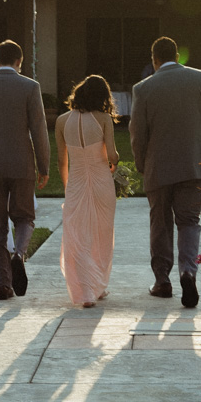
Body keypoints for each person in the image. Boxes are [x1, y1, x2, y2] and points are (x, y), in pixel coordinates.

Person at [130, 36, 201, 308]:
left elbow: (137, 134)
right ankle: (188, 271)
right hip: (194, 164)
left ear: (154, 59)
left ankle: (163, 281)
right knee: (189, 222)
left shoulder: (143, 88)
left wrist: (141, 164)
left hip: (158, 167)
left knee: (160, 223)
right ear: (178, 56)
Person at [0, 39, 50, 301]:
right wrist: (44, 166)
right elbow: (39, 131)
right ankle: (19, 254)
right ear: (19, 63)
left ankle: (4, 283)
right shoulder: (30, 86)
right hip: (22, 162)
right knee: (24, 217)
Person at [57, 75, 120, 308]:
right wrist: (115, 162)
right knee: (102, 234)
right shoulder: (104, 119)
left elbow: (61, 162)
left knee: (78, 235)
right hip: (102, 181)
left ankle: (86, 290)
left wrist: (68, 189)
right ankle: (96, 286)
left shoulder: (62, 121)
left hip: (76, 182)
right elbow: (112, 156)